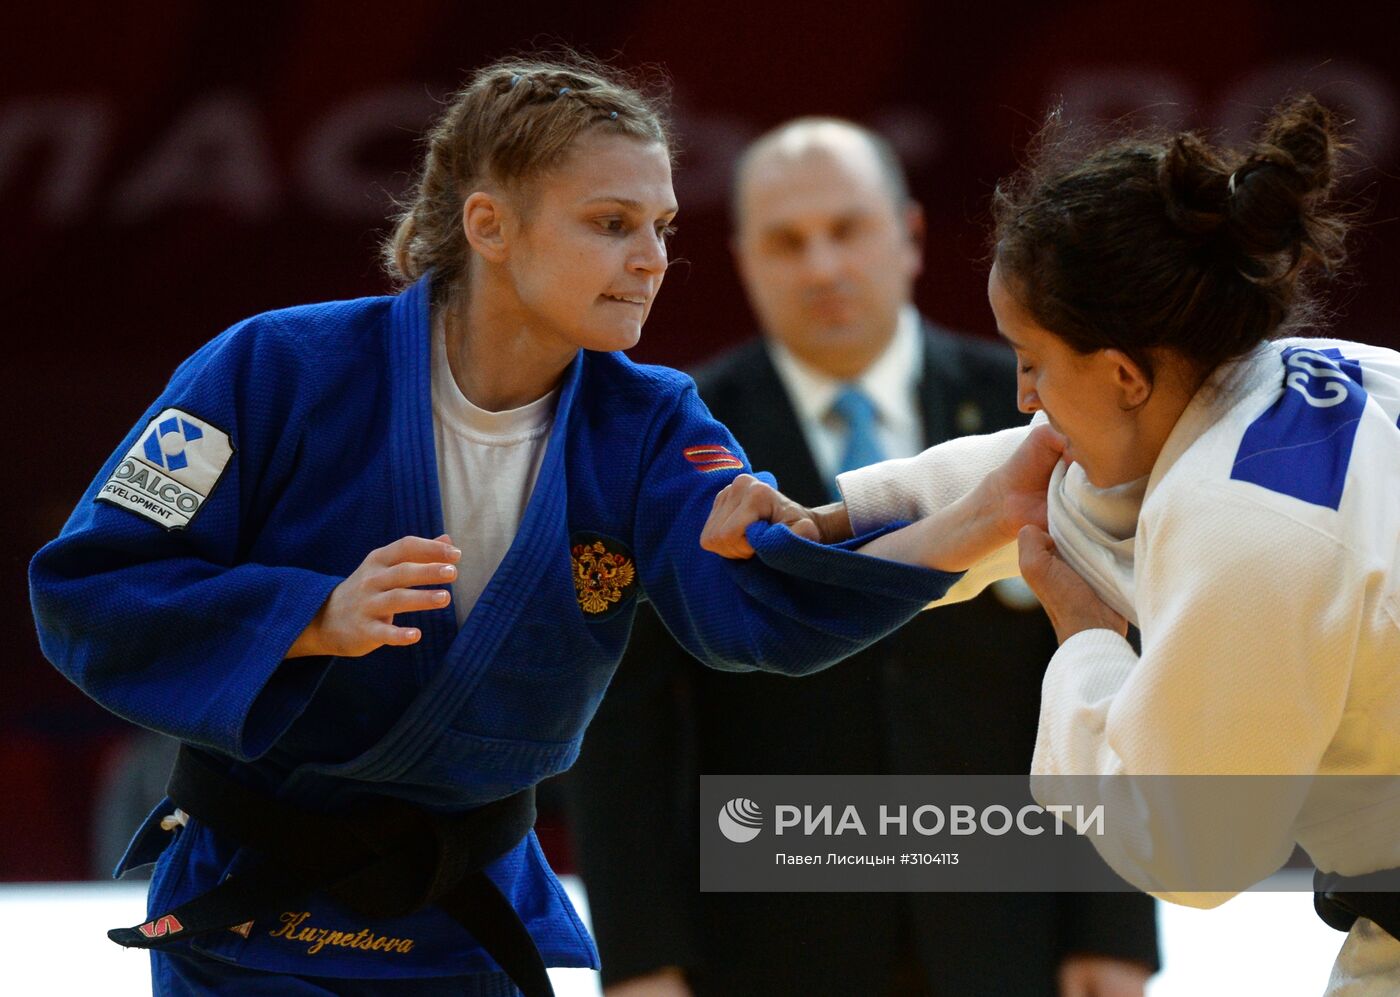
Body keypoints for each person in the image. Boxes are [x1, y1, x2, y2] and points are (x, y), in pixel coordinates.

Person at [26, 55, 1027, 997]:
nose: (650, 260)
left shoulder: (650, 424)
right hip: (252, 926)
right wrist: (307, 615)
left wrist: (977, 521)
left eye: (663, 227)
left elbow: (759, 608)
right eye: (610, 223)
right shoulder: (271, 371)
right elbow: (92, 591)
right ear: (488, 225)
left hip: (463, 927)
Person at [699, 96, 1400, 995]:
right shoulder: (1295, 381)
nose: (1023, 394)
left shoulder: (1250, 532)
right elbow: (1028, 481)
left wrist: (1086, 643)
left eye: (1031, 359)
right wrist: (826, 524)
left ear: (1121, 373)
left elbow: (1194, 850)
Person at [567, 119, 1158, 997]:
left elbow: (1113, 651)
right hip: (769, 939)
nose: (820, 267)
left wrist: (1116, 920)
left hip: (1011, 927)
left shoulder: (1037, 399)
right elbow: (620, 725)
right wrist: (643, 957)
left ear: (910, 237)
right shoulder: (676, 441)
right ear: (742, 258)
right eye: (787, 241)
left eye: (846, 230)